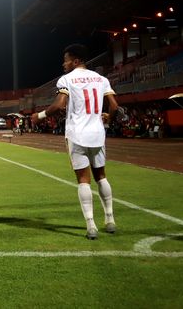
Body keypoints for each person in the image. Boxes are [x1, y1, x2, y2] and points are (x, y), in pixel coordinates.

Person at [31, 44, 119, 240]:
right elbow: (114, 105)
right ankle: (110, 220)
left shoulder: (67, 79)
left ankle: (91, 225)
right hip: (97, 133)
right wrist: (108, 118)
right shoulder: (102, 79)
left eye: (66, 60)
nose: (64, 64)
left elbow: (59, 104)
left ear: (76, 61)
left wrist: (40, 115)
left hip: (77, 134)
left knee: (83, 180)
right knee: (101, 176)